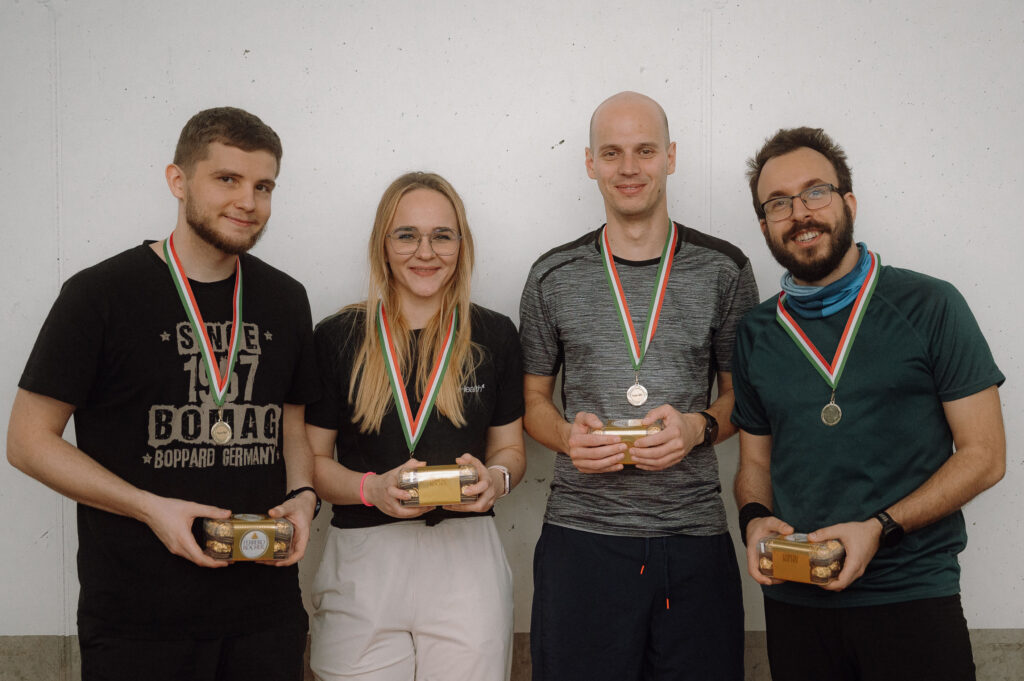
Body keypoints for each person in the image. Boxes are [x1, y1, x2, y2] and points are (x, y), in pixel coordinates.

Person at [6, 107, 320, 681]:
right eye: (227, 179)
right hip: (138, 622)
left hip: (265, 612)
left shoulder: (285, 298)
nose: (248, 201)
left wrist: (303, 494)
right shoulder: (99, 295)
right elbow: (27, 442)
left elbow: (291, 423)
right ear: (178, 181)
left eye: (263, 186)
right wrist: (150, 508)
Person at [731, 126, 1006, 681]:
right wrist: (755, 521)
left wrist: (880, 527)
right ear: (764, 226)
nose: (800, 213)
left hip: (911, 596)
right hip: (795, 600)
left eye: (816, 192)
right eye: (778, 203)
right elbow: (755, 465)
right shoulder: (757, 330)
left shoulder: (930, 304)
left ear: (847, 202)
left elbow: (984, 456)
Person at [518, 91, 757, 681]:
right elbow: (532, 403)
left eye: (645, 150)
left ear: (671, 156)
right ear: (589, 162)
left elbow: (746, 401)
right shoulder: (551, 274)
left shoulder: (724, 269)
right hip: (581, 538)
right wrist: (569, 437)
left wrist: (698, 428)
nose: (629, 168)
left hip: (694, 538)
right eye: (612, 152)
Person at [305, 171, 526, 681]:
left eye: (441, 235)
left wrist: (496, 480)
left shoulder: (493, 334)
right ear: (383, 244)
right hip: (363, 558)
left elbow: (511, 449)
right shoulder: (339, 337)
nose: (425, 251)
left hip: (466, 559)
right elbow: (312, 464)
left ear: (461, 245)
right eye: (406, 235)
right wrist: (370, 489)